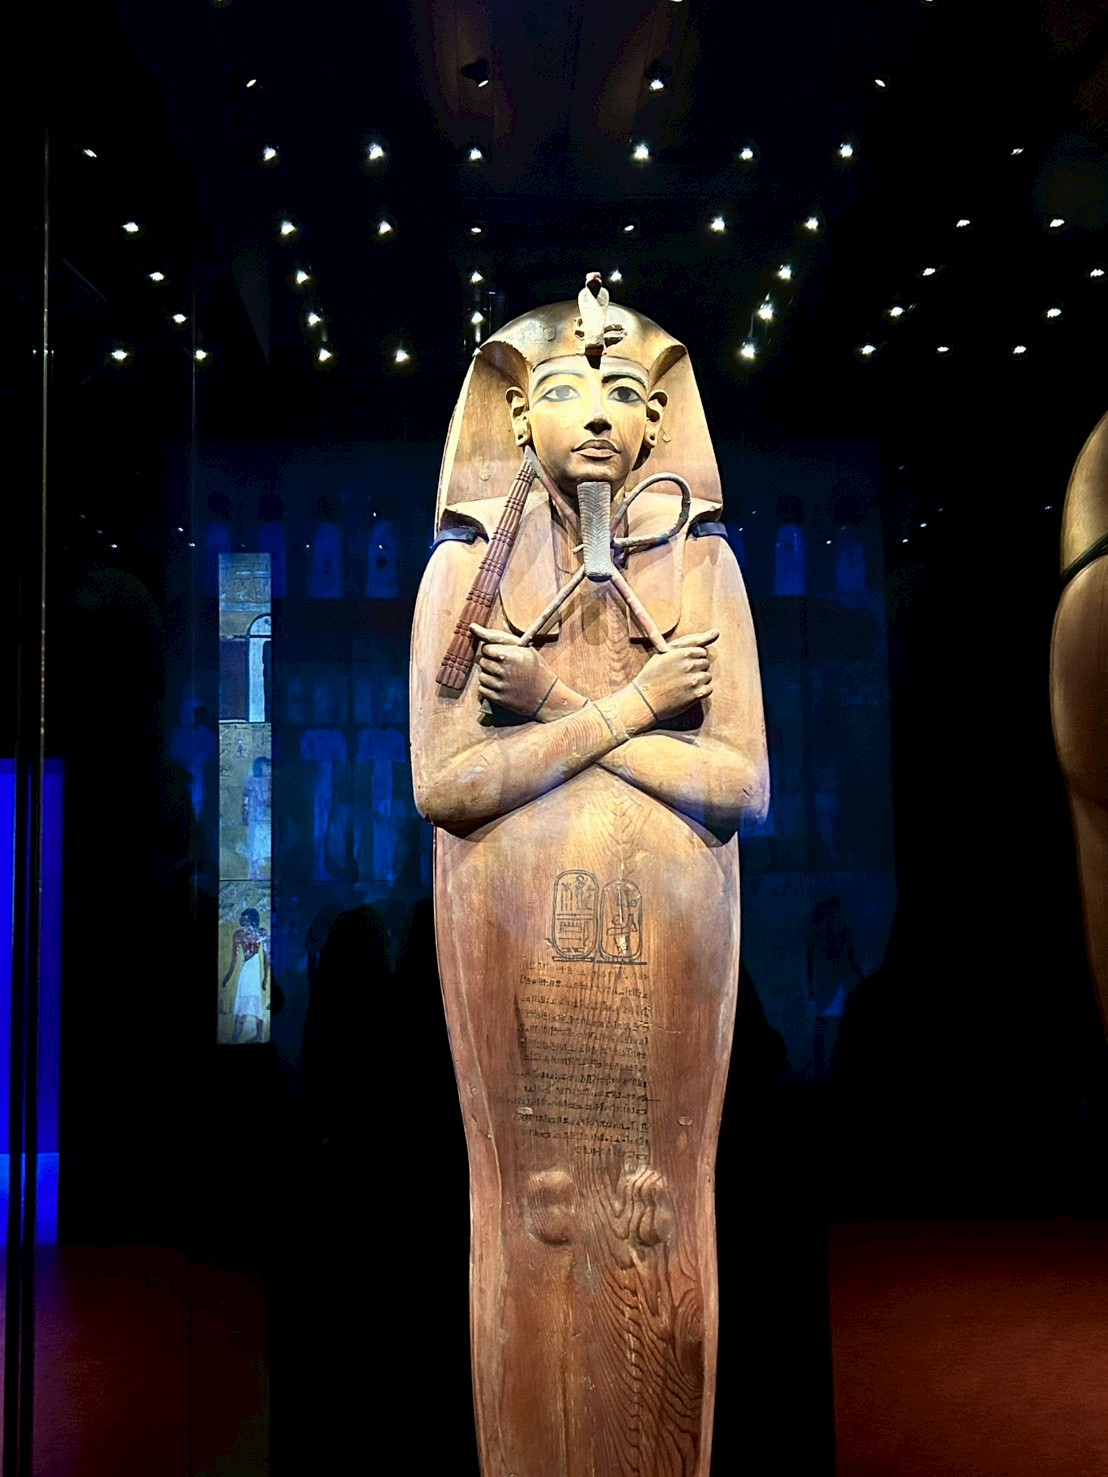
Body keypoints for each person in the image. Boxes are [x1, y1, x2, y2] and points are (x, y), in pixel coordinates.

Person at [409, 276, 768, 1477]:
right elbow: (446, 783)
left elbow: (739, 784)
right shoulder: (465, 573)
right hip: (517, 954)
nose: (601, 413)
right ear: (515, 416)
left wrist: (562, 703)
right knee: (533, 1214)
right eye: (566, 388)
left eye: (624, 389)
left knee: (660, 1215)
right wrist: (633, 707)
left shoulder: (705, 570)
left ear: (661, 420)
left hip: (665, 959)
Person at [220, 907, 269, 1043]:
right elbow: (234, 959)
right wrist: (227, 977)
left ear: (252, 920)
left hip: (254, 971)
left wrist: (266, 977)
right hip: (247, 971)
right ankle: (238, 1037)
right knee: (246, 1003)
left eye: (246, 919)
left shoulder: (262, 933)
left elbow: (266, 957)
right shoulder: (238, 934)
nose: (242, 921)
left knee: (254, 1004)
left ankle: (255, 1037)